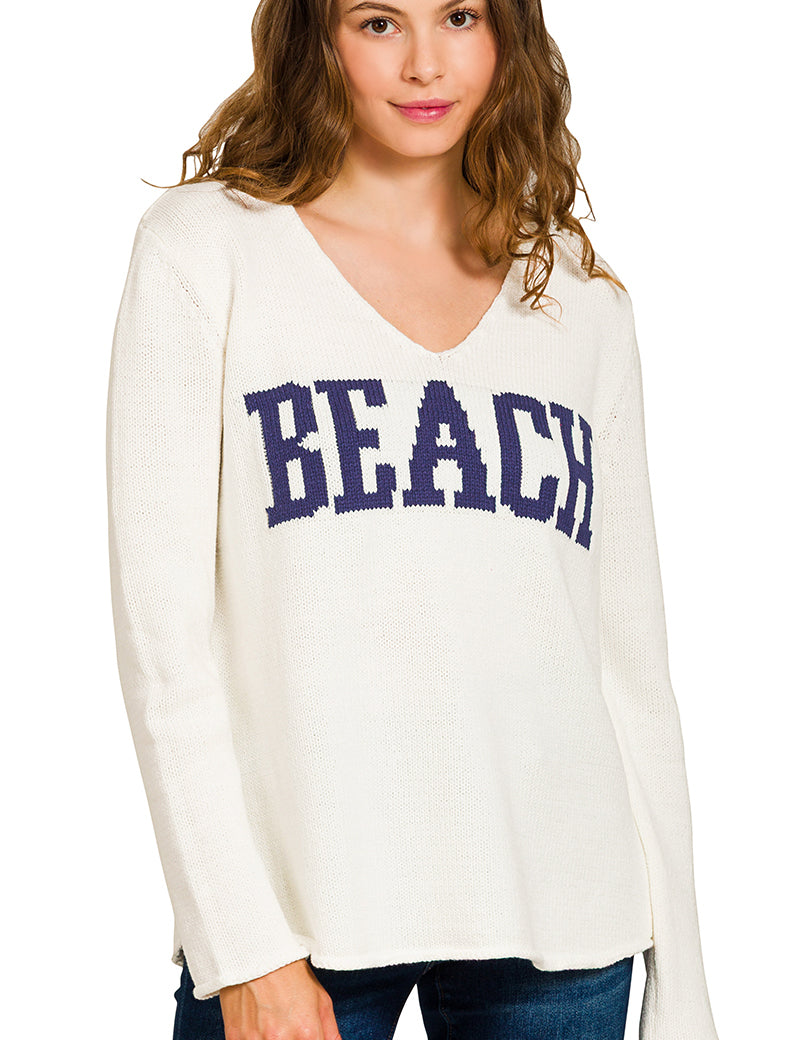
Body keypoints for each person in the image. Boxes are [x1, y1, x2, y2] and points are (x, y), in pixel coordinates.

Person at [105, 0, 720, 1037]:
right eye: (379, 22)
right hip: (302, 917)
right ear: (316, 35)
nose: (426, 63)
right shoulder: (207, 251)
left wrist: (685, 991)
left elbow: (630, 669)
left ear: (507, 33)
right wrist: (240, 945)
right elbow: (161, 644)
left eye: (461, 16)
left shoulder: (575, 296)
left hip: (569, 924)